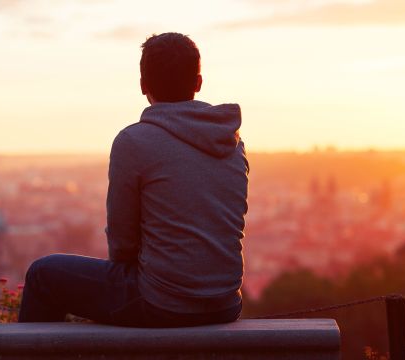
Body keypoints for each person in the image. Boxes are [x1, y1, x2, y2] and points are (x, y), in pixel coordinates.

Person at [18, 32, 249, 327]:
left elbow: (123, 243)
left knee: (42, 275)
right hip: (226, 304)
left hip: (162, 303)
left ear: (143, 86)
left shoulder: (134, 142)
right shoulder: (232, 141)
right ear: (198, 83)